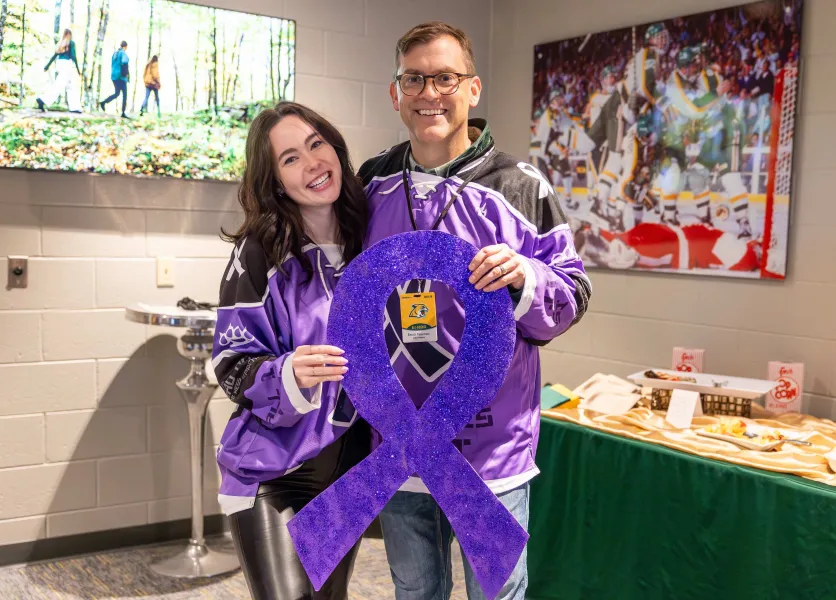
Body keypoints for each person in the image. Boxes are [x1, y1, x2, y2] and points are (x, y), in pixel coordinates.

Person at [358, 21, 592, 600]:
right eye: (414, 79)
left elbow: (573, 295)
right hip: (401, 440)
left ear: (473, 89)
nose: (429, 93)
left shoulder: (521, 185)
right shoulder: (369, 183)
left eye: (444, 77)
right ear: (395, 93)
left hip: (491, 450)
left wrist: (524, 278)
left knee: (498, 593)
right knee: (415, 591)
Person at [211, 101, 370, 600]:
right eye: (290, 159)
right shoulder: (260, 248)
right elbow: (231, 364)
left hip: (347, 470)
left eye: (316, 145)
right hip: (273, 472)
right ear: (276, 180)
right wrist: (286, 373)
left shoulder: (371, 238)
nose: (312, 164)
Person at [36, 29, 82, 114]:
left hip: (60, 64)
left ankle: (75, 107)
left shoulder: (61, 44)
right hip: (67, 64)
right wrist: (78, 69)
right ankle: (43, 99)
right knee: (59, 84)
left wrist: (47, 66)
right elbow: (73, 56)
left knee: (70, 85)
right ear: (70, 35)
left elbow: (54, 55)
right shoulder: (71, 43)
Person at [100, 41, 130, 118]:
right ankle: (123, 112)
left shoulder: (115, 54)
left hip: (114, 77)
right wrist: (126, 74)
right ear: (125, 46)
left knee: (117, 93)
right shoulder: (123, 53)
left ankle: (104, 102)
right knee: (124, 94)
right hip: (121, 77)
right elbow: (124, 63)